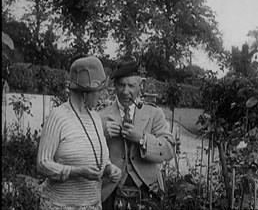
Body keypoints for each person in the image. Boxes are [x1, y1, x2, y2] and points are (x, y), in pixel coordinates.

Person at [37, 55, 122, 210]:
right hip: (60, 205)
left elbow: (100, 158)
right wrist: (76, 172)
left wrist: (109, 168)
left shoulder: (95, 118)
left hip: (92, 205)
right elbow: (42, 164)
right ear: (85, 92)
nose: (104, 95)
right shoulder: (58, 117)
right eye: (99, 91)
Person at [99, 60, 175, 210]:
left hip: (148, 190)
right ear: (114, 86)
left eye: (131, 85)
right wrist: (102, 134)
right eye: (121, 85)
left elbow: (169, 150)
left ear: (140, 87)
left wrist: (142, 139)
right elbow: (88, 153)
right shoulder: (101, 115)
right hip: (109, 191)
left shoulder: (154, 114)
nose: (125, 91)